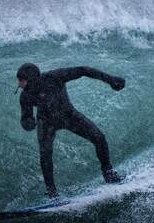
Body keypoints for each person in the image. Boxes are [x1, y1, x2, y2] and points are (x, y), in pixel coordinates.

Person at [15, 63, 125, 198]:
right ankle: (52, 192)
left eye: (21, 80)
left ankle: (108, 173)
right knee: (45, 155)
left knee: (99, 137)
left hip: (68, 116)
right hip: (46, 123)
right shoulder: (25, 96)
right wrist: (28, 123)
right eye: (19, 80)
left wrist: (110, 80)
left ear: (32, 79)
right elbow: (26, 118)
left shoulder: (54, 77)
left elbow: (83, 70)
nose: (19, 84)